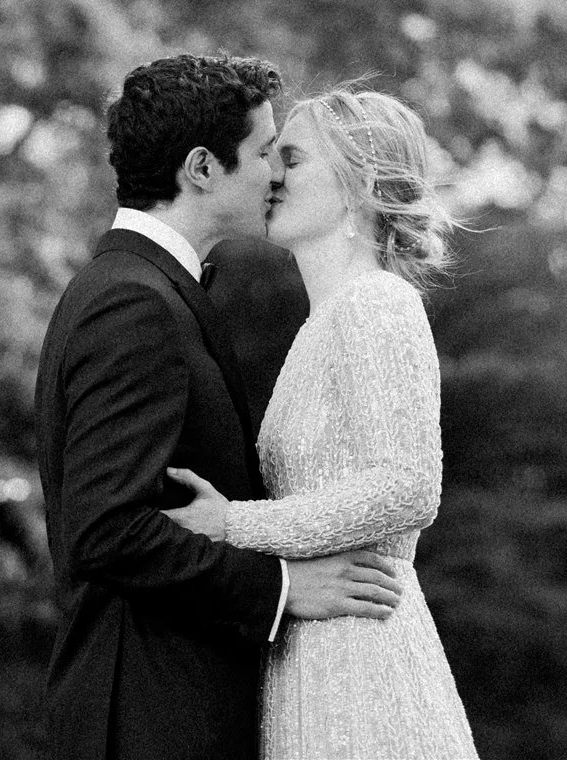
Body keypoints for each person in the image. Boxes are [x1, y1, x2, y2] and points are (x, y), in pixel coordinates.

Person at [35, 54, 403, 760]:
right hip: (148, 716)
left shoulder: (148, 290)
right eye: (263, 152)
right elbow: (106, 529)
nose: (275, 174)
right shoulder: (133, 302)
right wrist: (282, 586)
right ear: (202, 168)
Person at [163, 85, 481, 760]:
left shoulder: (378, 303)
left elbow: (408, 486)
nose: (271, 176)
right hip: (307, 651)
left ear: (360, 184)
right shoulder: (320, 325)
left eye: (293, 158)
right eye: (271, 157)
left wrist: (232, 524)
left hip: (364, 657)